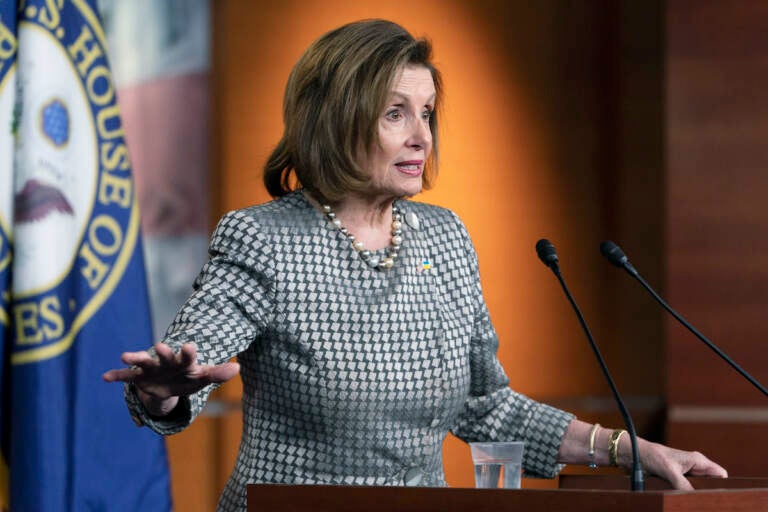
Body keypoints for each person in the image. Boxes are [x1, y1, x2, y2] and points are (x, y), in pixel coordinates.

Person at [103, 19, 726, 512]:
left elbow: (489, 408)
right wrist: (165, 393)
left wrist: (630, 450)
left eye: (426, 113)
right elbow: (192, 359)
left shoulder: (445, 237)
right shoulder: (263, 238)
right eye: (395, 112)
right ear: (336, 119)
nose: (422, 137)